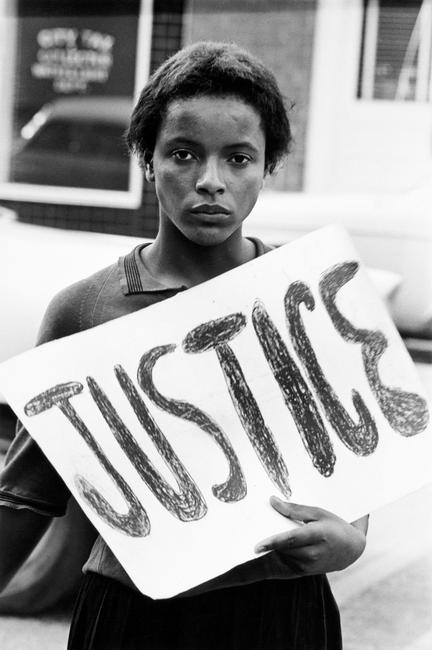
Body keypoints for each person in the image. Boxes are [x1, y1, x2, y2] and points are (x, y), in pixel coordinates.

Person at [0, 41, 367, 649]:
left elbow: (354, 474)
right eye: (183, 154)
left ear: (268, 166)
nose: (211, 181)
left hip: (283, 617)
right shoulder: (86, 311)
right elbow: (23, 500)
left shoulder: (304, 300)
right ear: (147, 160)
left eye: (239, 158)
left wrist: (349, 540)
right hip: (130, 618)